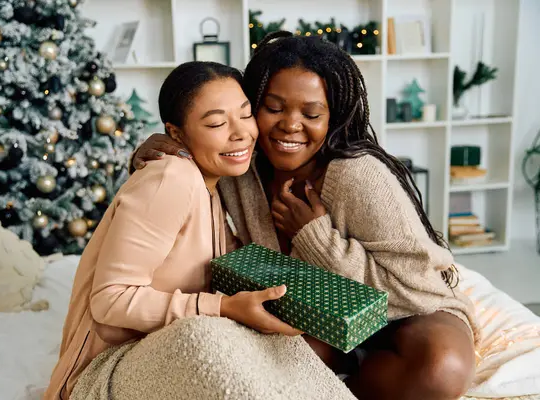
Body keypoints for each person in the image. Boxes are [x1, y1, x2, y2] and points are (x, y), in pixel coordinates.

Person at [130, 32, 479, 400]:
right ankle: (344, 369)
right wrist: (158, 152)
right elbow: (181, 171)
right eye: (274, 108)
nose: (290, 125)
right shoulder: (241, 162)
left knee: (444, 366)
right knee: (264, 365)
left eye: (311, 113)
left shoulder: (356, 175)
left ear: (333, 116)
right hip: (309, 314)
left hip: (407, 316)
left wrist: (317, 239)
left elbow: (419, 286)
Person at [43, 61, 302, 400]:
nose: (241, 132)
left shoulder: (213, 184)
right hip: (104, 369)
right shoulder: (173, 178)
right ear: (176, 134)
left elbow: (229, 259)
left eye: (245, 113)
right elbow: (110, 300)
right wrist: (221, 308)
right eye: (216, 123)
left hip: (164, 345)